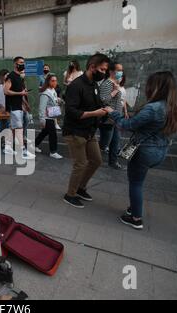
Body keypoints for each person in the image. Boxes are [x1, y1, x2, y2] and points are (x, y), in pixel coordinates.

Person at [104, 71, 177, 230]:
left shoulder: (153, 108)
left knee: (136, 183)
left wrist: (112, 112)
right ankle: (134, 207)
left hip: (144, 151)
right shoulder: (174, 107)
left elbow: (126, 125)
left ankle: (135, 218)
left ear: (157, 87)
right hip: (161, 151)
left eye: (150, 85)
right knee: (139, 182)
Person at [62, 53, 110, 209]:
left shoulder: (93, 84)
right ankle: (70, 194)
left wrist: (104, 110)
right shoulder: (76, 85)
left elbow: (95, 104)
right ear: (92, 67)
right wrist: (95, 113)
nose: (104, 73)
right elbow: (71, 112)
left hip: (89, 131)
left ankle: (81, 188)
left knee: (96, 160)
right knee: (81, 163)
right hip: (75, 131)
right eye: (102, 70)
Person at [4, 56, 35, 160]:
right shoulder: (11, 76)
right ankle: (22, 151)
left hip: (19, 106)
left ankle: (7, 147)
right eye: (21, 62)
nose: (23, 64)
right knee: (19, 129)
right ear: (15, 64)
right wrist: (20, 93)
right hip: (14, 107)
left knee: (13, 128)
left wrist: (25, 103)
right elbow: (6, 91)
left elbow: (21, 94)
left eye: (23, 62)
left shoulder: (20, 77)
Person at [99, 62, 124, 170]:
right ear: (111, 71)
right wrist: (114, 91)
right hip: (108, 119)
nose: (120, 72)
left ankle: (113, 162)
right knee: (104, 143)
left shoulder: (116, 82)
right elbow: (103, 99)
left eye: (121, 70)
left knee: (115, 142)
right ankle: (91, 157)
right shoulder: (107, 83)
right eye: (118, 70)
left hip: (117, 118)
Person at [35, 74, 64, 160]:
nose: (55, 82)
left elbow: (54, 100)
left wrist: (59, 100)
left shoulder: (53, 91)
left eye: (56, 80)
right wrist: (42, 120)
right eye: (53, 81)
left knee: (44, 132)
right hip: (47, 118)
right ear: (48, 81)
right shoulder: (45, 93)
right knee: (53, 134)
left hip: (52, 116)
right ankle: (53, 152)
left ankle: (34, 145)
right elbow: (41, 107)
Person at [0, 69, 14, 155]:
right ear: (3, 76)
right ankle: (3, 144)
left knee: (3, 127)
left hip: (6, 110)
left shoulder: (6, 86)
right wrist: (3, 109)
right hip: (2, 111)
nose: (8, 76)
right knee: (4, 127)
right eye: (6, 75)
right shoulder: (0, 87)